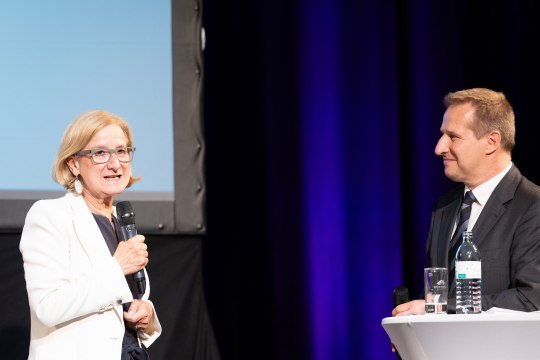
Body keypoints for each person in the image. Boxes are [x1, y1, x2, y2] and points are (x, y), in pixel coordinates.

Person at [20, 110, 161, 359]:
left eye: (121, 151)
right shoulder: (50, 215)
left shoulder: (121, 220)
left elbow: (119, 305)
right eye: (100, 153)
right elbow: (47, 307)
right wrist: (116, 267)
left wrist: (146, 314)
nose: (115, 163)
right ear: (73, 164)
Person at [393, 88, 540, 317]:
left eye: (453, 137)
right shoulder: (445, 207)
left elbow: (532, 298)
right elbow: (437, 294)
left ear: (491, 142)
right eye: (443, 135)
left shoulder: (532, 205)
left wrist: (440, 309)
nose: (439, 148)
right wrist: (414, 326)